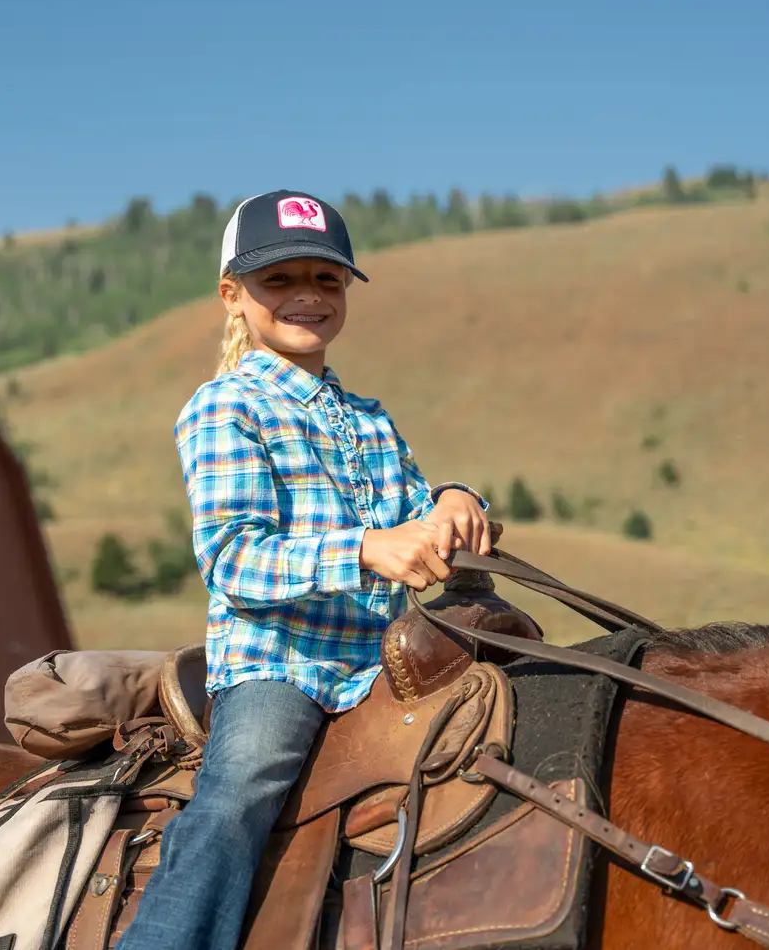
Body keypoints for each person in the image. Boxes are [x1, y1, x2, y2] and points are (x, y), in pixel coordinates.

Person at [114, 190, 490, 950]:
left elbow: (417, 513)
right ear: (233, 295)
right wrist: (362, 547)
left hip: (391, 653)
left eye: (327, 278)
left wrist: (455, 498)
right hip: (284, 665)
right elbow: (232, 558)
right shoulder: (225, 407)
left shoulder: (369, 416)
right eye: (280, 280)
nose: (307, 296)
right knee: (240, 791)